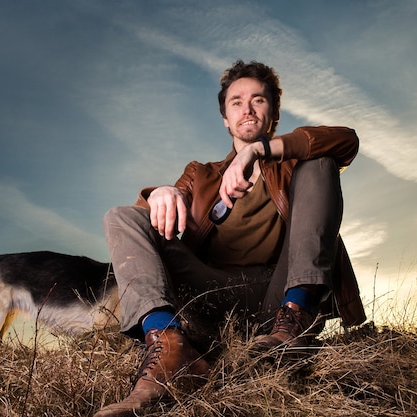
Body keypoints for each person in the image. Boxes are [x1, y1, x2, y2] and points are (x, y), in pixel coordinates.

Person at [94, 60, 366, 417]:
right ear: (225, 117)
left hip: (276, 295)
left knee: (320, 163)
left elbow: (346, 139)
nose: (247, 108)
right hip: (209, 298)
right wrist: (158, 193)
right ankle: (171, 350)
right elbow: (143, 222)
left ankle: (295, 321)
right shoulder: (200, 175)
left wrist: (258, 151)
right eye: (236, 101)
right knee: (121, 216)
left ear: (274, 113)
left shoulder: (294, 162)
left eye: (258, 100)